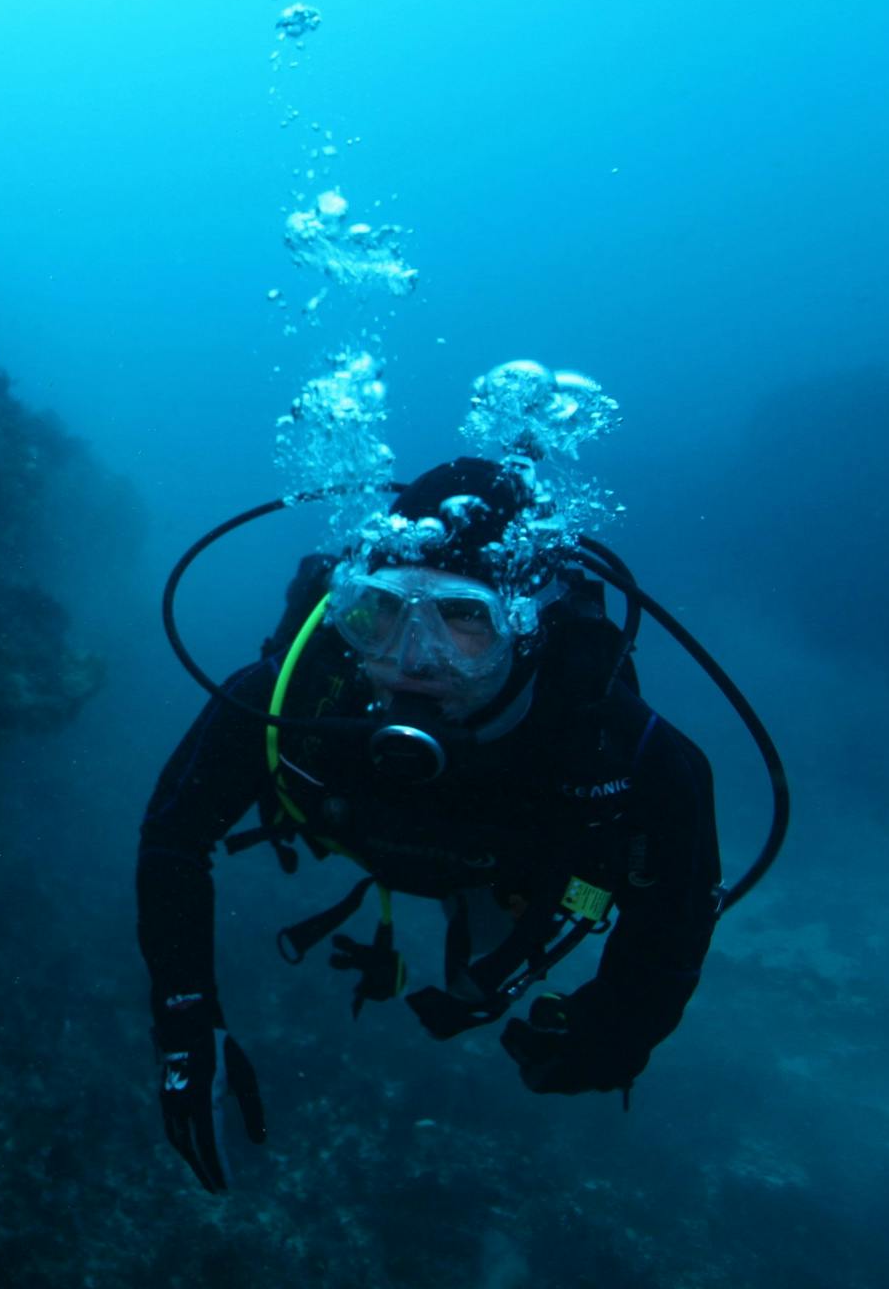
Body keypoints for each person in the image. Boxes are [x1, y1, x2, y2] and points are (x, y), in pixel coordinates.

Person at [138, 457, 721, 1191]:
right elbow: (173, 835)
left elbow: (675, 913)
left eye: (466, 616)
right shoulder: (294, 695)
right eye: (380, 610)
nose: (413, 656)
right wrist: (186, 1025)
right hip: (376, 836)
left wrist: (620, 1030)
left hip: (510, 874)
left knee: (478, 983)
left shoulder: (628, 754)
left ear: (527, 625)